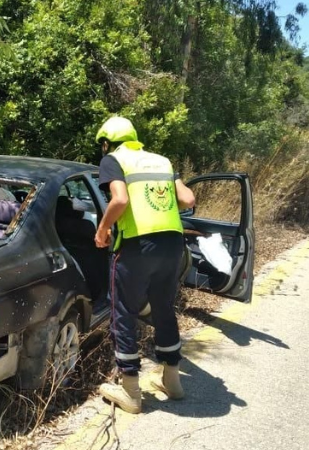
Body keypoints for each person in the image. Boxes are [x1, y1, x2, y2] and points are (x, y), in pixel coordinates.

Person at [94, 116, 195, 414]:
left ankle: (131, 392)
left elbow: (120, 200)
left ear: (106, 143)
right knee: (163, 306)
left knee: (123, 309)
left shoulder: (113, 159)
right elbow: (188, 199)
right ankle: (172, 381)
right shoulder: (161, 160)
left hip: (137, 246)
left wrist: (102, 229)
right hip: (172, 244)